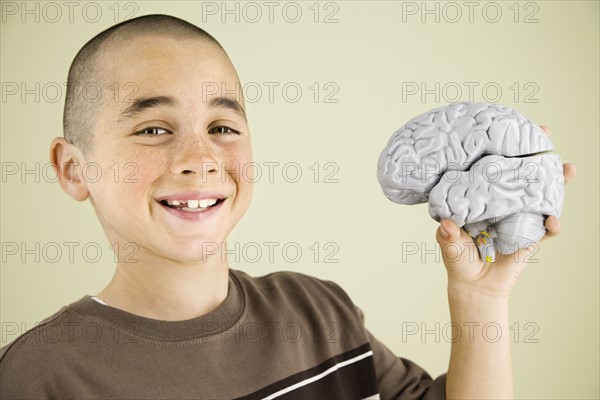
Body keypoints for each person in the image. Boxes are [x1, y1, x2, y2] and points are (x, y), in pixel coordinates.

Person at [0, 14, 576, 399]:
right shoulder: (43, 374)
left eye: (223, 126)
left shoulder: (319, 313)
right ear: (74, 168)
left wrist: (480, 297)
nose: (200, 157)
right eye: (153, 128)